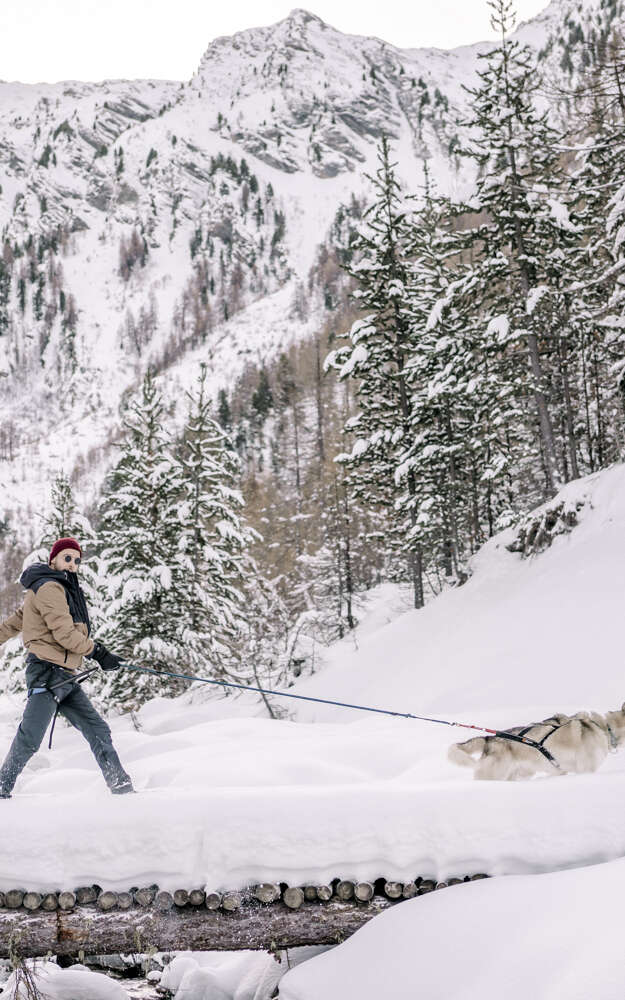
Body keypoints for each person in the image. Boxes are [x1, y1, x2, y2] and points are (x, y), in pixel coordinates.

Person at [0, 537, 134, 798]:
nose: (72, 564)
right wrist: (98, 652)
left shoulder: (53, 588)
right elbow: (63, 634)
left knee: (98, 730)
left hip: (64, 677)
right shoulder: (50, 587)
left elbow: (12, 625)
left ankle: (122, 787)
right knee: (30, 738)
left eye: (76, 560)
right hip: (46, 675)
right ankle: (1, 787)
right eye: (67, 558)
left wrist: (99, 653)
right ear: (54, 560)